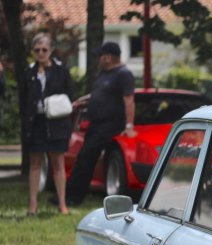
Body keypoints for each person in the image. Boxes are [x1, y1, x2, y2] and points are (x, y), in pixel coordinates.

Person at [64, 41, 135, 206]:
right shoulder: (104, 74)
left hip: (109, 125)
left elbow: (129, 100)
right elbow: (97, 94)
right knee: (83, 158)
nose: (99, 59)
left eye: (101, 56)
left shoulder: (123, 74)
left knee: (87, 157)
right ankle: (69, 195)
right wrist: (82, 101)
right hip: (96, 124)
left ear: (108, 57)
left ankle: (73, 198)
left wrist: (129, 125)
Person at [23, 33, 74, 215]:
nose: (40, 53)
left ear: (51, 50)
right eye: (37, 50)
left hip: (56, 122)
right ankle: (32, 205)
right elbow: (24, 100)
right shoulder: (29, 72)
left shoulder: (61, 71)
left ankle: (62, 204)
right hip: (36, 122)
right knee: (35, 163)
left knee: (58, 163)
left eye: (44, 49)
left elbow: (70, 95)